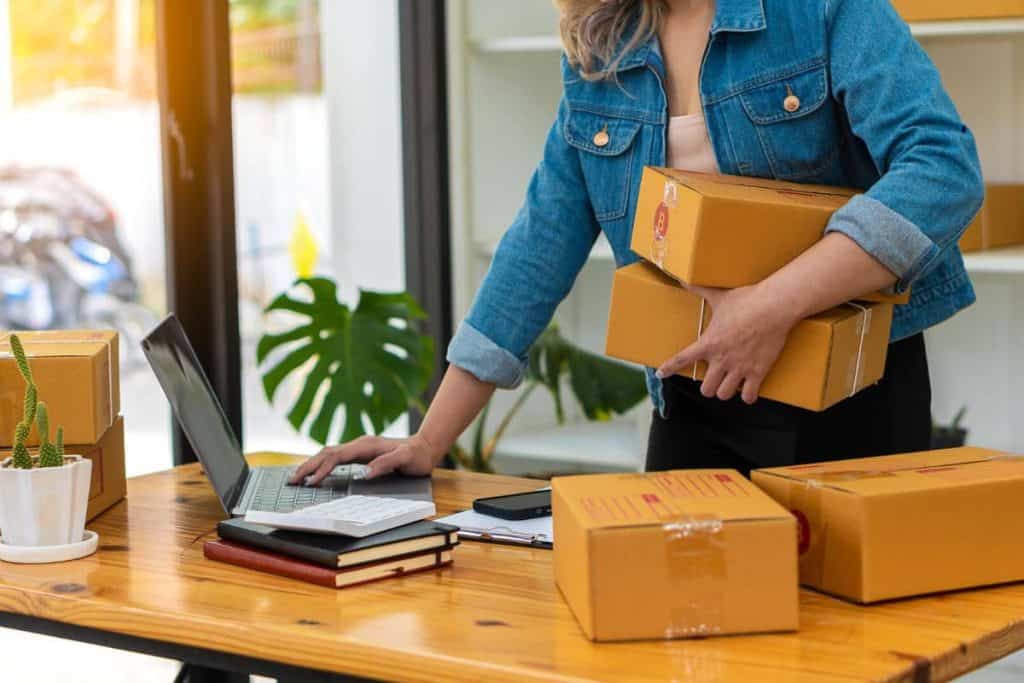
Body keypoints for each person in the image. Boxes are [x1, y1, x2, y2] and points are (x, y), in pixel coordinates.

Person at [292, 0, 983, 485]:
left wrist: (771, 308)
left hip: (851, 402)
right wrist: (427, 441)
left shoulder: (822, 8)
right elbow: (539, 247)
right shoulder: (604, 52)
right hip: (693, 402)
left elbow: (942, 167)